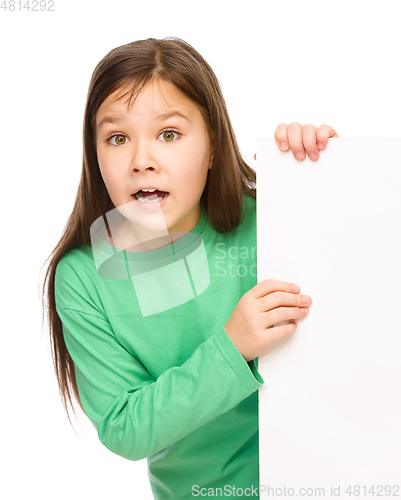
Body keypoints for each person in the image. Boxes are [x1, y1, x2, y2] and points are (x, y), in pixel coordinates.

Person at [41, 37, 338, 499]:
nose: (142, 161)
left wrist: (328, 179)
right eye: (117, 138)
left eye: (169, 134)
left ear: (214, 148)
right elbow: (125, 427)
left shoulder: (272, 219)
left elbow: (365, 307)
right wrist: (231, 347)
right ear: (94, 154)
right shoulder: (84, 277)